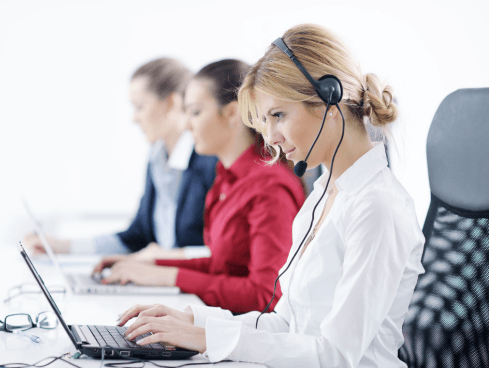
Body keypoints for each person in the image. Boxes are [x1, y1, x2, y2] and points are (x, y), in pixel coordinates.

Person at [114, 24, 425, 368]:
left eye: (278, 115)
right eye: (266, 121)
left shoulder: (377, 206)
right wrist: (192, 321)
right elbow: (286, 325)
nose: (271, 137)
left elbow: (335, 356)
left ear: (329, 100)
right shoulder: (322, 194)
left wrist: (207, 339)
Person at [95, 59, 306, 314]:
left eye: (194, 112)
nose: (185, 125)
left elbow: (266, 295)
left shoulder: (269, 187)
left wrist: (169, 276)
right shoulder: (226, 178)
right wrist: (152, 265)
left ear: (231, 114)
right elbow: (221, 266)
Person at [24, 58, 217, 259]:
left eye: (140, 106)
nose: (134, 118)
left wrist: (164, 258)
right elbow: (135, 237)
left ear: (171, 104)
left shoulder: (211, 163)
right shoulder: (157, 160)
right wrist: (63, 246)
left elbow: (225, 253)